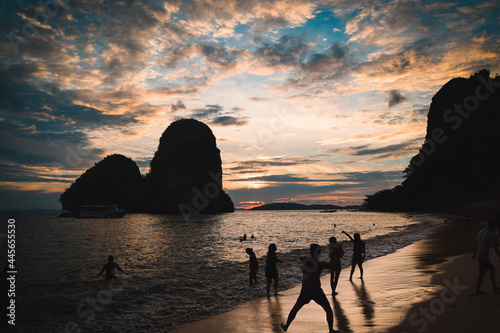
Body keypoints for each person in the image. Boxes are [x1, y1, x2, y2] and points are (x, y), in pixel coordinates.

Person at [281, 244, 337, 333]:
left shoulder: (306, 261)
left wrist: (307, 257)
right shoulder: (320, 264)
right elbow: (332, 265)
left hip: (306, 290)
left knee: (295, 309)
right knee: (328, 310)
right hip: (316, 290)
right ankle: (331, 330)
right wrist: (336, 258)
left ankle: (286, 326)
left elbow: (300, 257)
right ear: (318, 253)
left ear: (311, 252)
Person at [472, 218, 500, 294]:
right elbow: (496, 248)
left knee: (484, 272)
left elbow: (476, 242)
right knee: (488, 271)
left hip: (479, 254)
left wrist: (474, 253)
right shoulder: (491, 234)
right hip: (483, 256)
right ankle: (491, 288)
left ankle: (479, 290)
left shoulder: (481, 231)